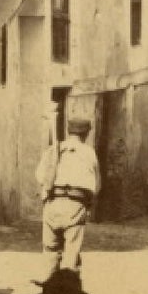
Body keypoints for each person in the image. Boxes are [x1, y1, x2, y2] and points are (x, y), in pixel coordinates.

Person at [35, 117, 100, 279]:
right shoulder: (88, 152)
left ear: (68, 131)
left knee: (50, 252)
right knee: (71, 255)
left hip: (53, 204)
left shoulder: (53, 150)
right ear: (86, 133)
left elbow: (40, 176)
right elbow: (96, 185)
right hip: (75, 205)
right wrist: (88, 205)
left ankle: (47, 293)